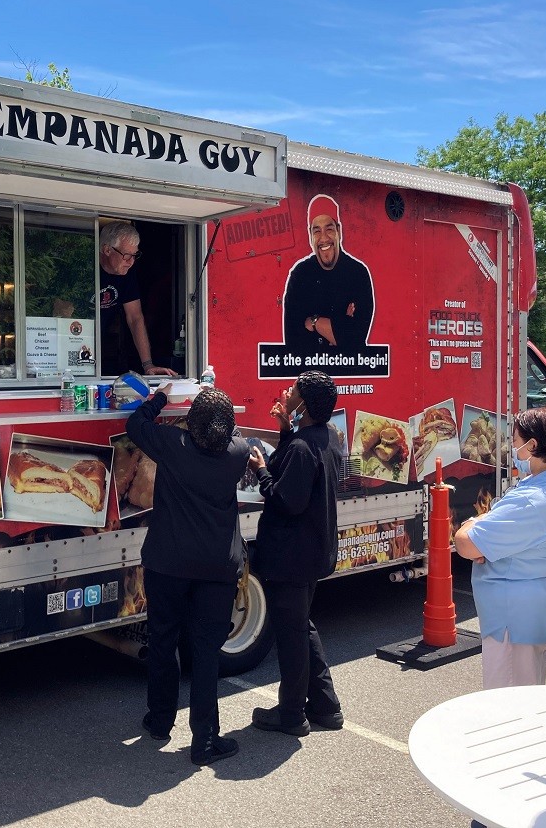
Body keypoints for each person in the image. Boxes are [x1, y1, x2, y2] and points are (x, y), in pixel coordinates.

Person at [126, 384, 249, 766]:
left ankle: (160, 722)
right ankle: (205, 741)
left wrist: (161, 398)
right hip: (216, 568)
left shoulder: (172, 445)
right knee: (206, 652)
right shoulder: (238, 453)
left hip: (167, 564)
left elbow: (135, 423)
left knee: (163, 641)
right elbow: (234, 432)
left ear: (189, 425)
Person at [245, 370, 344, 736]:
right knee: (301, 627)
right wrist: (287, 429)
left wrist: (259, 472)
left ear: (304, 404)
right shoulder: (326, 437)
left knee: (291, 636)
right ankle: (325, 705)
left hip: (291, 557)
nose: (287, 392)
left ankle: (291, 714)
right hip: (312, 552)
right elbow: (297, 469)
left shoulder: (303, 448)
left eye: (294, 391)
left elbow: (286, 499)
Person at [454, 406, 546, 689]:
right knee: (530, 690)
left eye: (514, 441)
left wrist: (473, 521)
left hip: (514, 619)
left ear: (532, 446)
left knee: (509, 703)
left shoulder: (531, 500)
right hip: (536, 609)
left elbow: (465, 543)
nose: (512, 447)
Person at [281, 195, 375, 356]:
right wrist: (341, 326)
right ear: (310, 235)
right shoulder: (300, 275)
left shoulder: (358, 273)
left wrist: (314, 322)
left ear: (339, 231)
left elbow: (355, 341)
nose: (323, 238)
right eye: (317, 231)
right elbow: (294, 343)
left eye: (329, 229)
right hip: (310, 373)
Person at [98, 221, 178, 377]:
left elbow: (135, 317)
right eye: (127, 255)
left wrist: (148, 365)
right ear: (107, 250)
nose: (131, 262)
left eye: (135, 255)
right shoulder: (85, 267)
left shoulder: (127, 272)